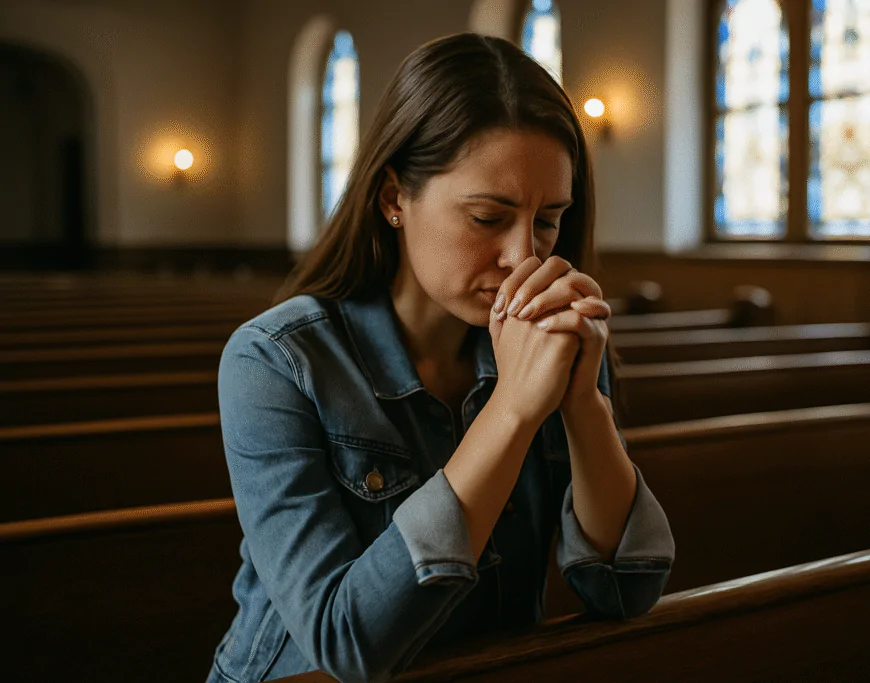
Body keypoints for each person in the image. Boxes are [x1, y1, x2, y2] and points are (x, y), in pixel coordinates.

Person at [206, 31, 675, 683]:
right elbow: (348, 646)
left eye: (549, 219)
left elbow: (625, 590)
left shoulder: (548, 335)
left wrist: (583, 404)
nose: (525, 257)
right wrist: (511, 412)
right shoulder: (274, 361)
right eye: (488, 216)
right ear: (394, 197)